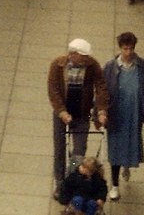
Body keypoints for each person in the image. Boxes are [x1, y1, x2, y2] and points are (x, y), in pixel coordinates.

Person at [48, 38, 109, 196]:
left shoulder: (92, 65)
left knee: (79, 151)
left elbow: (101, 87)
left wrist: (101, 110)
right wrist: (61, 111)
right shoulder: (57, 65)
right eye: (83, 56)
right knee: (59, 149)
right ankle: (60, 183)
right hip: (61, 112)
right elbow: (53, 90)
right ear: (73, 54)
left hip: (81, 114)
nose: (86, 59)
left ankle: (73, 180)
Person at [102, 31, 144, 201]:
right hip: (116, 115)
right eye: (125, 49)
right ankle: (115, 185)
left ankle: (126, 164)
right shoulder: (110, 67)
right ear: (120, 48)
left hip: (133, 113)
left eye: (131, 49)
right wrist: (101, 112)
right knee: (115, 149)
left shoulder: (143, 66)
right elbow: (102, 92)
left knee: (130, 144)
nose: (128, 52)